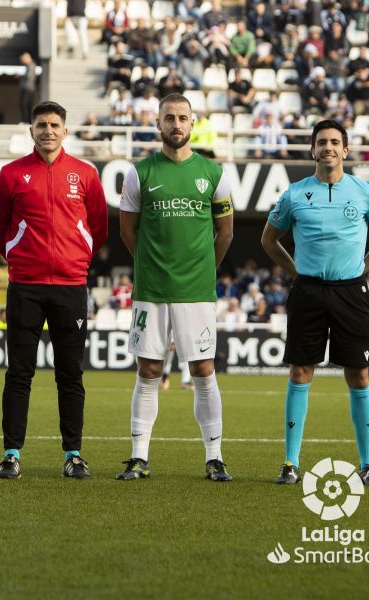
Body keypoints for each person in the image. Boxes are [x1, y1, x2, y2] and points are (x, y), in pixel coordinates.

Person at [261, 119, 369, 487]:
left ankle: (367, 464)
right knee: (300, 372)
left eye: (335, 142)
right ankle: (290, 462)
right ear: (312, 150)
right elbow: (269, 240)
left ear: (346, 150)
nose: (328, 147)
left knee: (359, 374)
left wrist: (362, 268)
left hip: (350, 292)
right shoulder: (293, 194)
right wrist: (294, 272)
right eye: (322, 142)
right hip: (307, 291)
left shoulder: (364, 191)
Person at [117, 93, 235, 482]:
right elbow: (127, 230)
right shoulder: (140, 172)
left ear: (193, 122)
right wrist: (151, 265)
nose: (176, 124)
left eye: (183, 118)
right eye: (169, 118)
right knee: (148, 369)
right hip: (152, 289)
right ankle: (138, 457)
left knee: (203, 370)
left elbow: (225, 232)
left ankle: (214, 457)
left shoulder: (214, 174)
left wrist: (204, 270)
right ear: (158, 124)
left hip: (196, 291)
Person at [0, 101, 107, 479]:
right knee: (19, 372)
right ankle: (11, 453)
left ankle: (73, 453)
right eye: (41, 125)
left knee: (70, 374)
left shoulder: (85, 174)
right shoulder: (10, 174)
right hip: (25, 286)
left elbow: (99, 228)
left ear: (65, 131)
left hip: (71, 287)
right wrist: (19, 258)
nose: (48, 131)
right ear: (32, 131)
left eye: (55, 125)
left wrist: (79, 258)